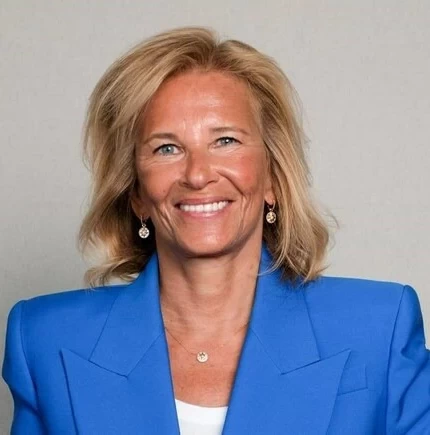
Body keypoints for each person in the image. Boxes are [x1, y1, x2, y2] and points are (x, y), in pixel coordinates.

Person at [2, 26, 430, 435]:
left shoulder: (378, 329)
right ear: (136, 192)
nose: (197, 174)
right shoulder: (46, 339)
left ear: (272, 177)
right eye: (166, 148)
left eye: (225, 141)